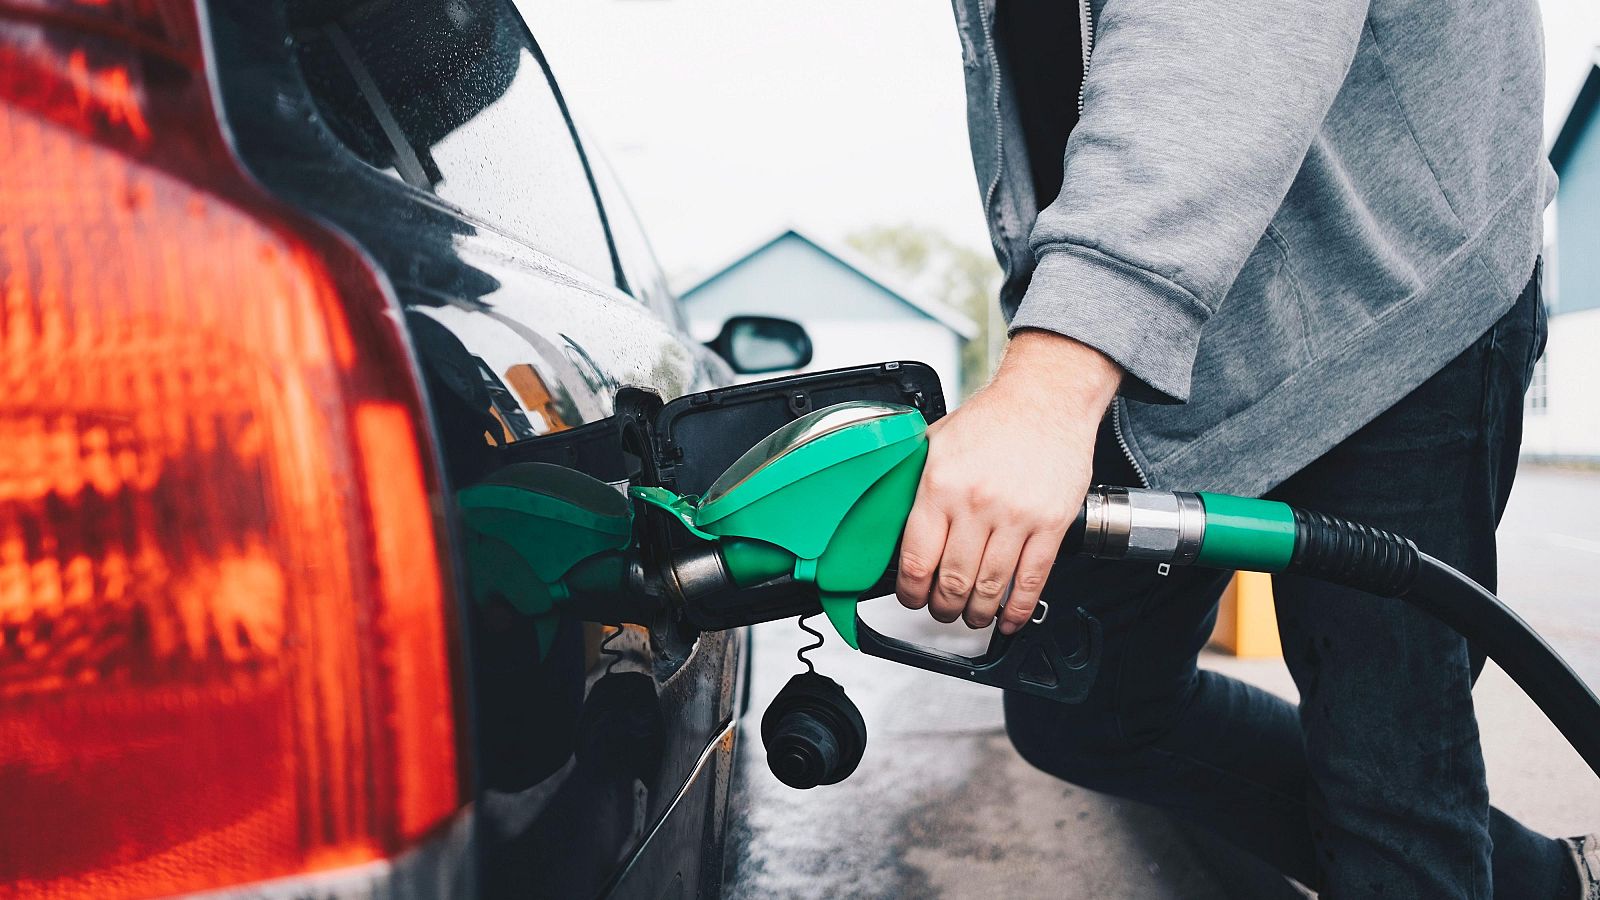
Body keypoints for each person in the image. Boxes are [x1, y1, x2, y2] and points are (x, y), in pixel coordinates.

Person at [895, 1, 1597, 897]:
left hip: (1390, 308)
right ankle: (1540, 882)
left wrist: (1050, 383)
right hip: (1172, 336)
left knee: (1388, 785)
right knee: (1080, 702)